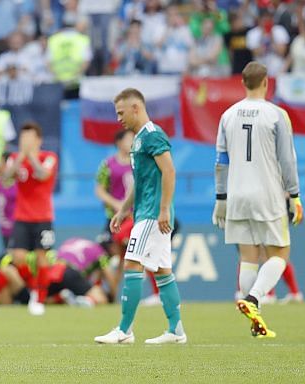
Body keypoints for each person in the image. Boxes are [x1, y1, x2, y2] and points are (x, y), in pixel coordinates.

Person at [212, 61, 302, 338]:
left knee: (249, 257)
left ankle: (254, 316)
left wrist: (220, 198)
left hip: (237, 194)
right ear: (266, 83)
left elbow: (221, 162)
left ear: (242, 83)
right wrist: (295, 195)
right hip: (268, 194)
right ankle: (253, 299)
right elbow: (287, 160)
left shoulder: (227, 115)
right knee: (280, 254)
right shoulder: (276, 114)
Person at [95, 88, 186, 345]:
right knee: (162, 271)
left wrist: (164, 208)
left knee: (131, 264)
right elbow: (140, 180)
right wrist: (124, 210)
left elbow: (169, 171)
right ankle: (176, 330)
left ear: (136, 108)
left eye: (121, 113)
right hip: (144, 212)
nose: (118, 119)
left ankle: (124, 330)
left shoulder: (152, 135)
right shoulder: (137, 141)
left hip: (152, 215)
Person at [5, 122, 58, 316]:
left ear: (38, 140)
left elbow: (43, 175)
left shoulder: (49, 157)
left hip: (43, 217)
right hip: (21, 216)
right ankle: (34, 287)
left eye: (29, 138)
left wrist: (30, 156)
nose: (25, 141)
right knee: (17, 257)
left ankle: (40, 297)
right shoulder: (14, 159)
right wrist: (21, 156)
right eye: (22, 138)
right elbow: (6, 178)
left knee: (42, 257)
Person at [95, 129, 134, 299]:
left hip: (133, 218)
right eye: (128, 139)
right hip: (114, 218)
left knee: (129, 258)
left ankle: (117, 294)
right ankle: (106, 292)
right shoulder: (108, 164)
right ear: (119, 142)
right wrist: (117, 204)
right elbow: (100, 190)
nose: (132, 143)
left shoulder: (138, 162)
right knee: (107, 255)